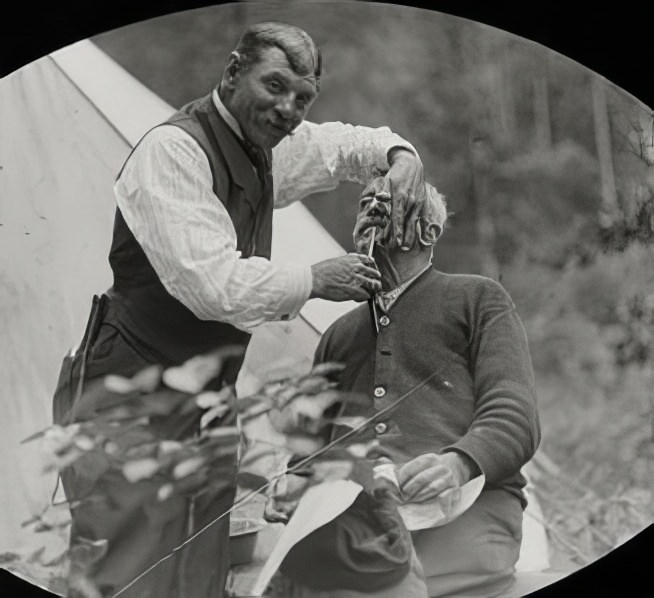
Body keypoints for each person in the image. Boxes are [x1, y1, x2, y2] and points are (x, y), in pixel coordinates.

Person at [51, 21, 428, 598]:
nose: (287, 108)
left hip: (203, 401)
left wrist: (400, 157)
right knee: (122, 572)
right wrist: (316, 279)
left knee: (198, 571)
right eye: (274, 86)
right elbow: (213, 285)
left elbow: (345, 147)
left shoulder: (268, 148)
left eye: (303, 98)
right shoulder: (173, 151)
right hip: (128, 396)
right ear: (232, 71)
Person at [276, 181, 541, 597]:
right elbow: (308, 452)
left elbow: (513, 414)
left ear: (430, 232)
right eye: (366, 202)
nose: (375, 206)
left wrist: (457, 464)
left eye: (393, 200)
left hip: (463, 516)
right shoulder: (336, 335)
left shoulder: (479, 299)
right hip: (353, 531)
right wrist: (294, 483)